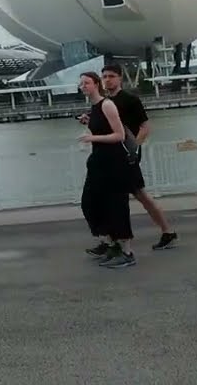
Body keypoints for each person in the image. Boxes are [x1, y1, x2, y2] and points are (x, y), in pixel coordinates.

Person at [101, 63, 179, 250]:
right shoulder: (105, 102)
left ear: (120, 78)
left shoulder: (130, 100)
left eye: (111, 76)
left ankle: (166, 232)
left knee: (138, 194)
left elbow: (145, 127)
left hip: (128, 154)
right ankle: (111, 239)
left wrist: (133, 149)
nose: (107, 80)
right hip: (112, 155)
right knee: (114, 196)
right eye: (104, 77)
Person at [76, 72, 136, 269]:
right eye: (81, 83)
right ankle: (111, 244)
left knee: (117, 205)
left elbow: (118, 135)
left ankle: (127, 252)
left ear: (96, 85)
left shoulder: (107, 104)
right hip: (98, 161)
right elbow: (102, 128)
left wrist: (92, 138)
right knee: (90, 203)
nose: (83, 86)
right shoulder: (95, 108)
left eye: (87, 83)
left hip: (114, 161)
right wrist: (89, 123)